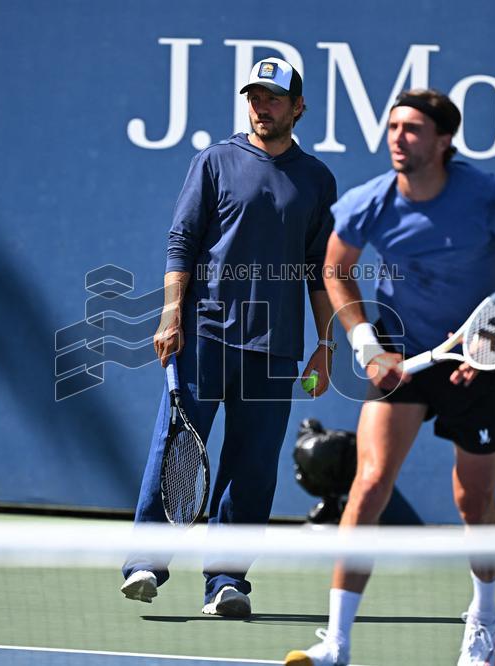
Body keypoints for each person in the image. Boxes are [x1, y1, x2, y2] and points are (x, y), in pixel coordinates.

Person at [285, 89, 495, 665]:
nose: (397, 138)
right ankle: (336, 642)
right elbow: (336, 269)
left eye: (411, 129)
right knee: (369, 484)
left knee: (473, 503)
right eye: (393, 127)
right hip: (402, 356)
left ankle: (483, 620)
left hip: (474, 364)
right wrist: (366, 344)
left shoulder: (489, 197)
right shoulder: (371, 202)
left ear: (443, 141)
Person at [121, 57, 338, 618]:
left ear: (298, 107)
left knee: (254, 465)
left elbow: (320, 269)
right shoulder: (214, 161)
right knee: (177, 448)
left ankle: (226, 581)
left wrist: (326, 343)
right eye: (255, 96)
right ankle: (147, 562)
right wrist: (172, 315)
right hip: (207, 335)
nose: (262, 106)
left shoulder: (316, 180)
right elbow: (182, 242)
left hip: (276, 346)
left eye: (273, 97)